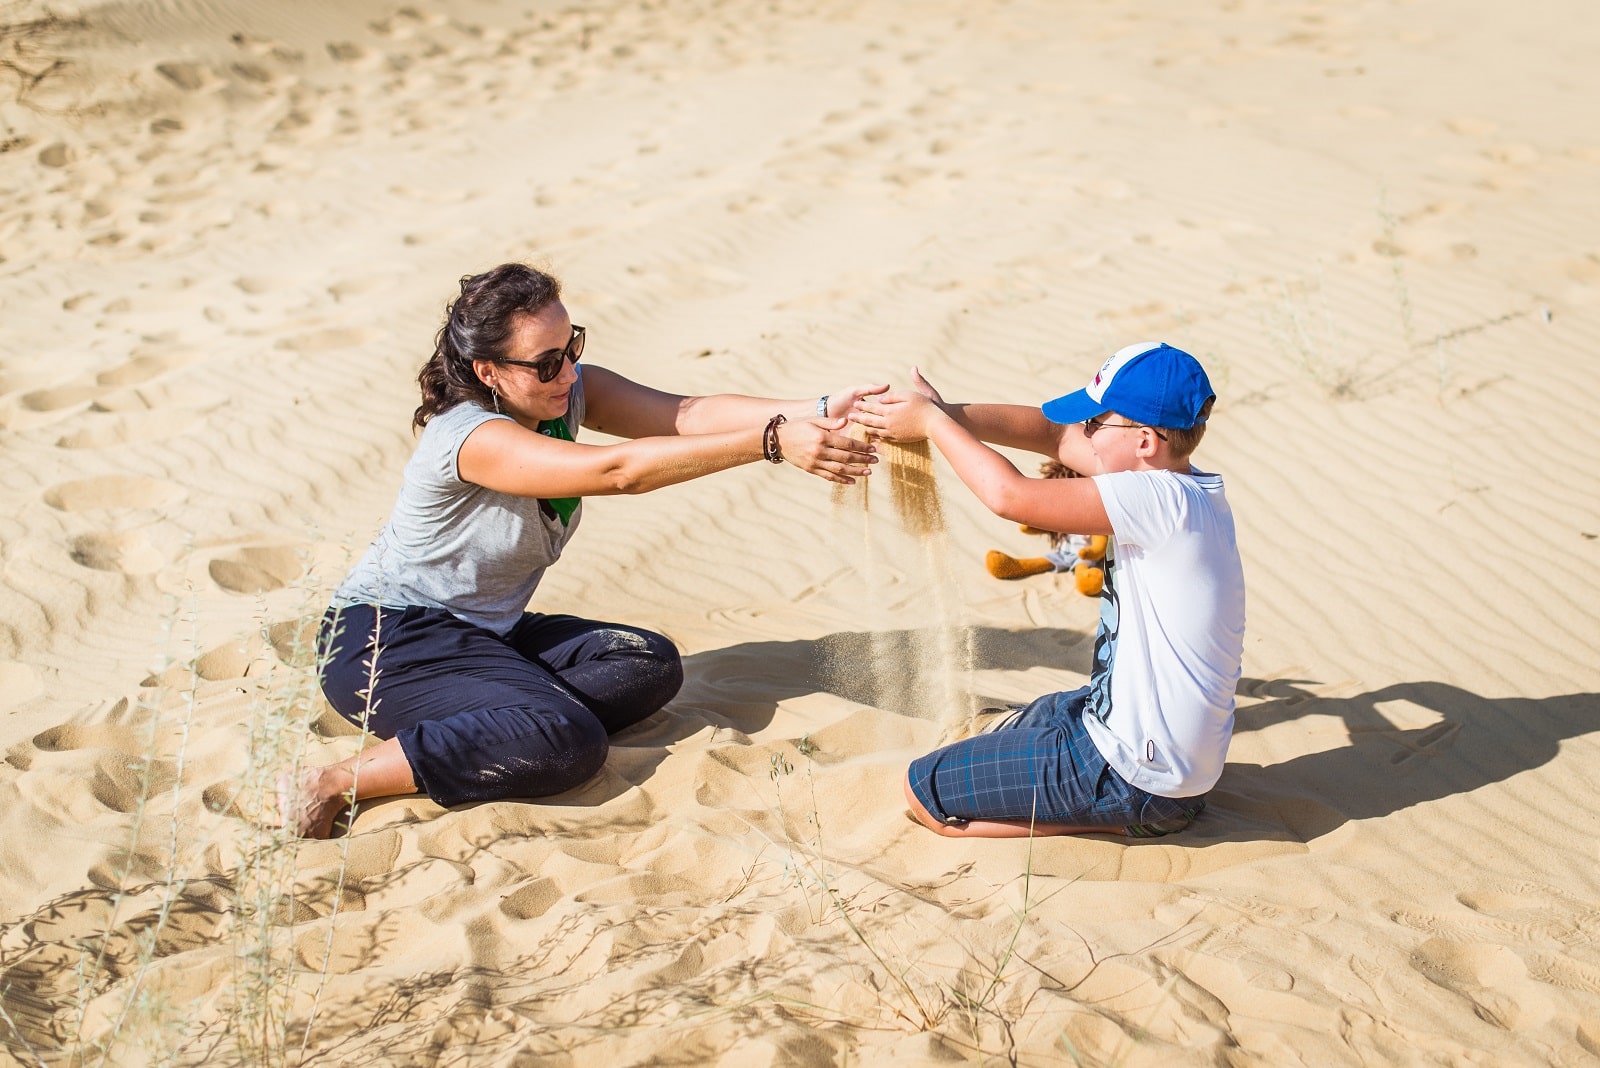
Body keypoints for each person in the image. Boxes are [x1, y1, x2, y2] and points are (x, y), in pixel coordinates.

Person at [283, 262, 882, 838]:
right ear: (489, 371)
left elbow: (684, 414)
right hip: (387, 642)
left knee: (645, 663)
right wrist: (771, 441)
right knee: (565, 740)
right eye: (546, 363)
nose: (568, 373)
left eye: (573, 348)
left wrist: (820, 409)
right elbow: (617, 470)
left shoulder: (567, 393)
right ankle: (336, 780)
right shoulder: (472, 436)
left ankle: (500, 715)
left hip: (486, 634)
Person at [851, 341, 1245, 838]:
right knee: (1021, 722)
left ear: (1145, 440)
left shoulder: (1155, 499)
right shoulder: (1182, 485)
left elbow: (1009, 496)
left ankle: (1120, 820)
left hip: (1137, 774)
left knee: (925, 795)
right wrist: (947, 412)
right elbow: (1055, 433)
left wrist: (933, 425)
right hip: (1160, 755)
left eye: (1098, 422)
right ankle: (1136, 804)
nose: (1087, 433)